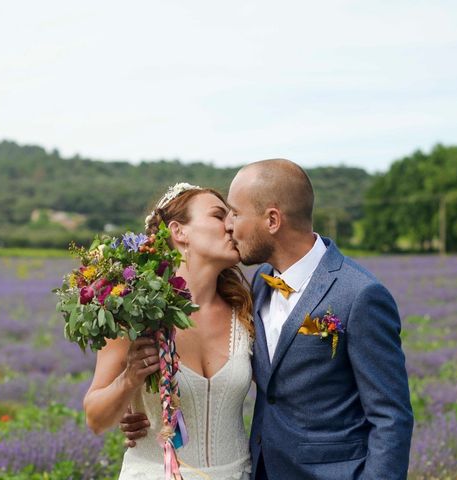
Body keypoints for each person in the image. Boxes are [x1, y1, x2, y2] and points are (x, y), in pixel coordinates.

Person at [123, 159, 414, 480]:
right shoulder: (258, 284)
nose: (229, 225)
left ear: (272, 220)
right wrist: (144, 411)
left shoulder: (359, 295)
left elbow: (391, 417)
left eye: (235, 213)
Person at [83, 184, 255, 480]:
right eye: (218, 215)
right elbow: (96, 419)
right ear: (179, 231)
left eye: (231, 217)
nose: (230, 226)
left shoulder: (247, 312)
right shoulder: (133, 315)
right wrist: (128, 381)